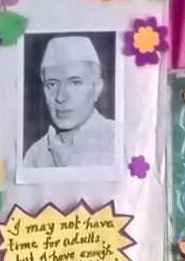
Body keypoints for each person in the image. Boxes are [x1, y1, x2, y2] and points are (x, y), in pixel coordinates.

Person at [20, 34, 117, 174]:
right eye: (52, 84)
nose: (60, 97)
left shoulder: (116, 141)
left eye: (75, 83)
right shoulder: (35, 155)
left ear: (97, 88)